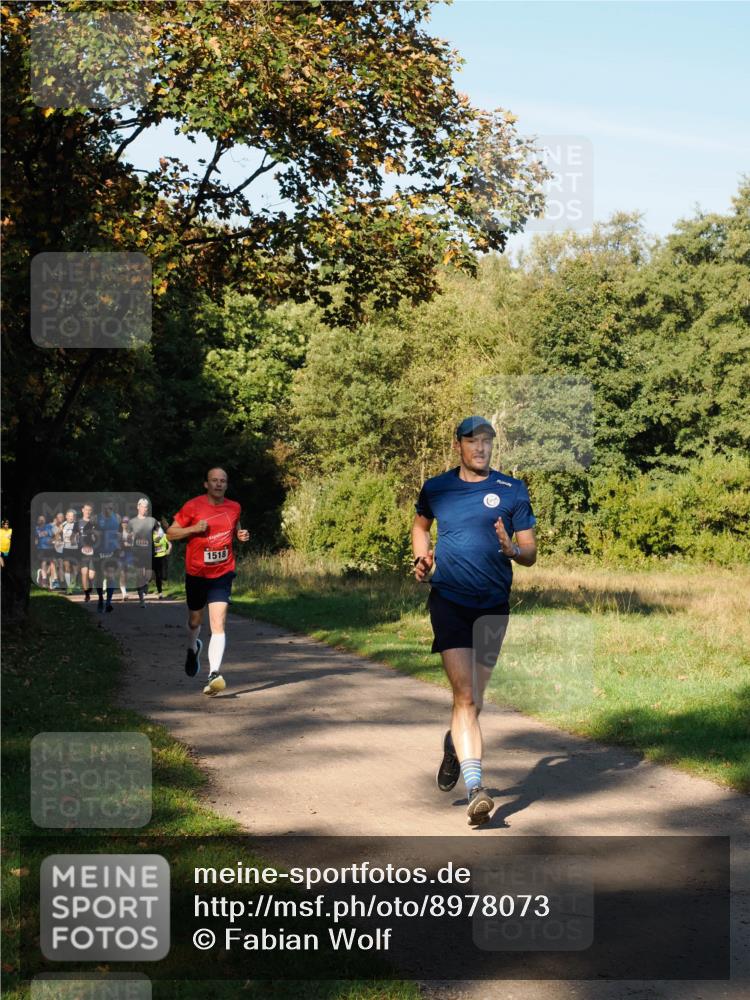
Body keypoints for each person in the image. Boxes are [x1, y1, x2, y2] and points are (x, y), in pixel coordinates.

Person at [412, 416, 537, 826]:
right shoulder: (437, 488)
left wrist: (511, 551)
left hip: (493, 605)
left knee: (474, 701)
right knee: (465, 697)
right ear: (458, 446)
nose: (481, 448)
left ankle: (454, 745)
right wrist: (422, 556)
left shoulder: (511, 490)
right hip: (448, 599)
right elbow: (420, 524)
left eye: (487, 442)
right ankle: (476, 789)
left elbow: (530, 553)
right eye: (473, 441)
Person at [166, 467, 249, 696]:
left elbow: (235, 525)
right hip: (196, 573)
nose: (218, 484)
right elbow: (170, 533)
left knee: (218, 622)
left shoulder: (234, 507)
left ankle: (214, 674)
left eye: (222, 481)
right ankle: (193, 647)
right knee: (195, 620)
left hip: (222, 573)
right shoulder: (192, 506)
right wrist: (194, 528)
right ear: (206, 484)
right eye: (214, 480)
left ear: (226, 484)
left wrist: (240, 535)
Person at [130, 498, 159, 606]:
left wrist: (159, 538)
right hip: (137, 552)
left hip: (149, 551)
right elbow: (126, 535)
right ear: (138, 507)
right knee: (139, 575)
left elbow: (159, 532)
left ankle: (146, 584)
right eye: (142, 506)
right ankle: (141, 598)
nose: (144, 509)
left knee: (148, 575)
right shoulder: (132, 522)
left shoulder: (152, 521)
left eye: (146, 507)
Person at [96, 500, 121, 613]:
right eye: (106, 508)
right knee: (100, 578)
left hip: (113, 551)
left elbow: (122, 532)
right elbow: (88, 531)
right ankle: (101, 598)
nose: (108, 510)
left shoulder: (117, 518)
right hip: (100, 551)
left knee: (111, 575)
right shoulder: (97, 518)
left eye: (110, 508)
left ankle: (108, 602)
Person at [77, 503, 98, 601]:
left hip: (93, 552)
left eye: (90, 510)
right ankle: (86, 594)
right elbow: (73, 536)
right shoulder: (78, 522)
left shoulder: (95, 523)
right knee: (84, 573)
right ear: (82, 510)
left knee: (91, 575)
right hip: (82, 552)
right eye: (86, 509)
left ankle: (90, 586)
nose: (88, 511)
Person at [151, 524, 172, 598]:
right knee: (158, 576)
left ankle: (162, 582)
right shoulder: (151, 537)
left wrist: (169, 549)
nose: (157, 529)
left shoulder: (163, 535)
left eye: (158, 527)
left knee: (164, 576)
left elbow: (169, 544)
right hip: (155, 558)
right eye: (156, 528)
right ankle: (160, 592)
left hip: (163, 556)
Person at [61, 509, 79, 592]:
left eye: (73, 516)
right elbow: (57, 534)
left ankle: (73, 583)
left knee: (75, 570)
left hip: (75, 549)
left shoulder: (77, 524)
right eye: (70, 516)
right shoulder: (63, 524)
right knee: (67, 568)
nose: (71, 518)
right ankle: (69, 587)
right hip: (66, 549)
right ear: (66, 516)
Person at [34, 515, 55, 588]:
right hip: (41, 548)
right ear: (37, 521)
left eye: (43, 519)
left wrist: (48, 534)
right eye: (40, 519)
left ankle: (41, 574)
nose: (42, 520)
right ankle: (44, 582)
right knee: (44, 563)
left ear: (45, 520)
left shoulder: (49, 526)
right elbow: (37, 536)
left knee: (51, 565)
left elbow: (52, 534)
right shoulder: (36, 528)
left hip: (50, 548)